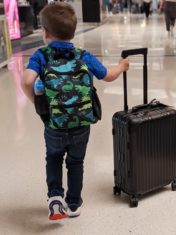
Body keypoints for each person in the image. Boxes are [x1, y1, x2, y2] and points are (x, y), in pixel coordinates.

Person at [21, 2, 129, 220]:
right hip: (81, 123)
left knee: (53, 157)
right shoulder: (83, 55)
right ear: (72, 32)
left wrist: (37, 104)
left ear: (45, 32)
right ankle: (73, 204)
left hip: (54, 124)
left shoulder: (41, 56)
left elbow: (26, 81)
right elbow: (108, 75)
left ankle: (55, 197)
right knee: (76, 162)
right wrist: (122, 66)